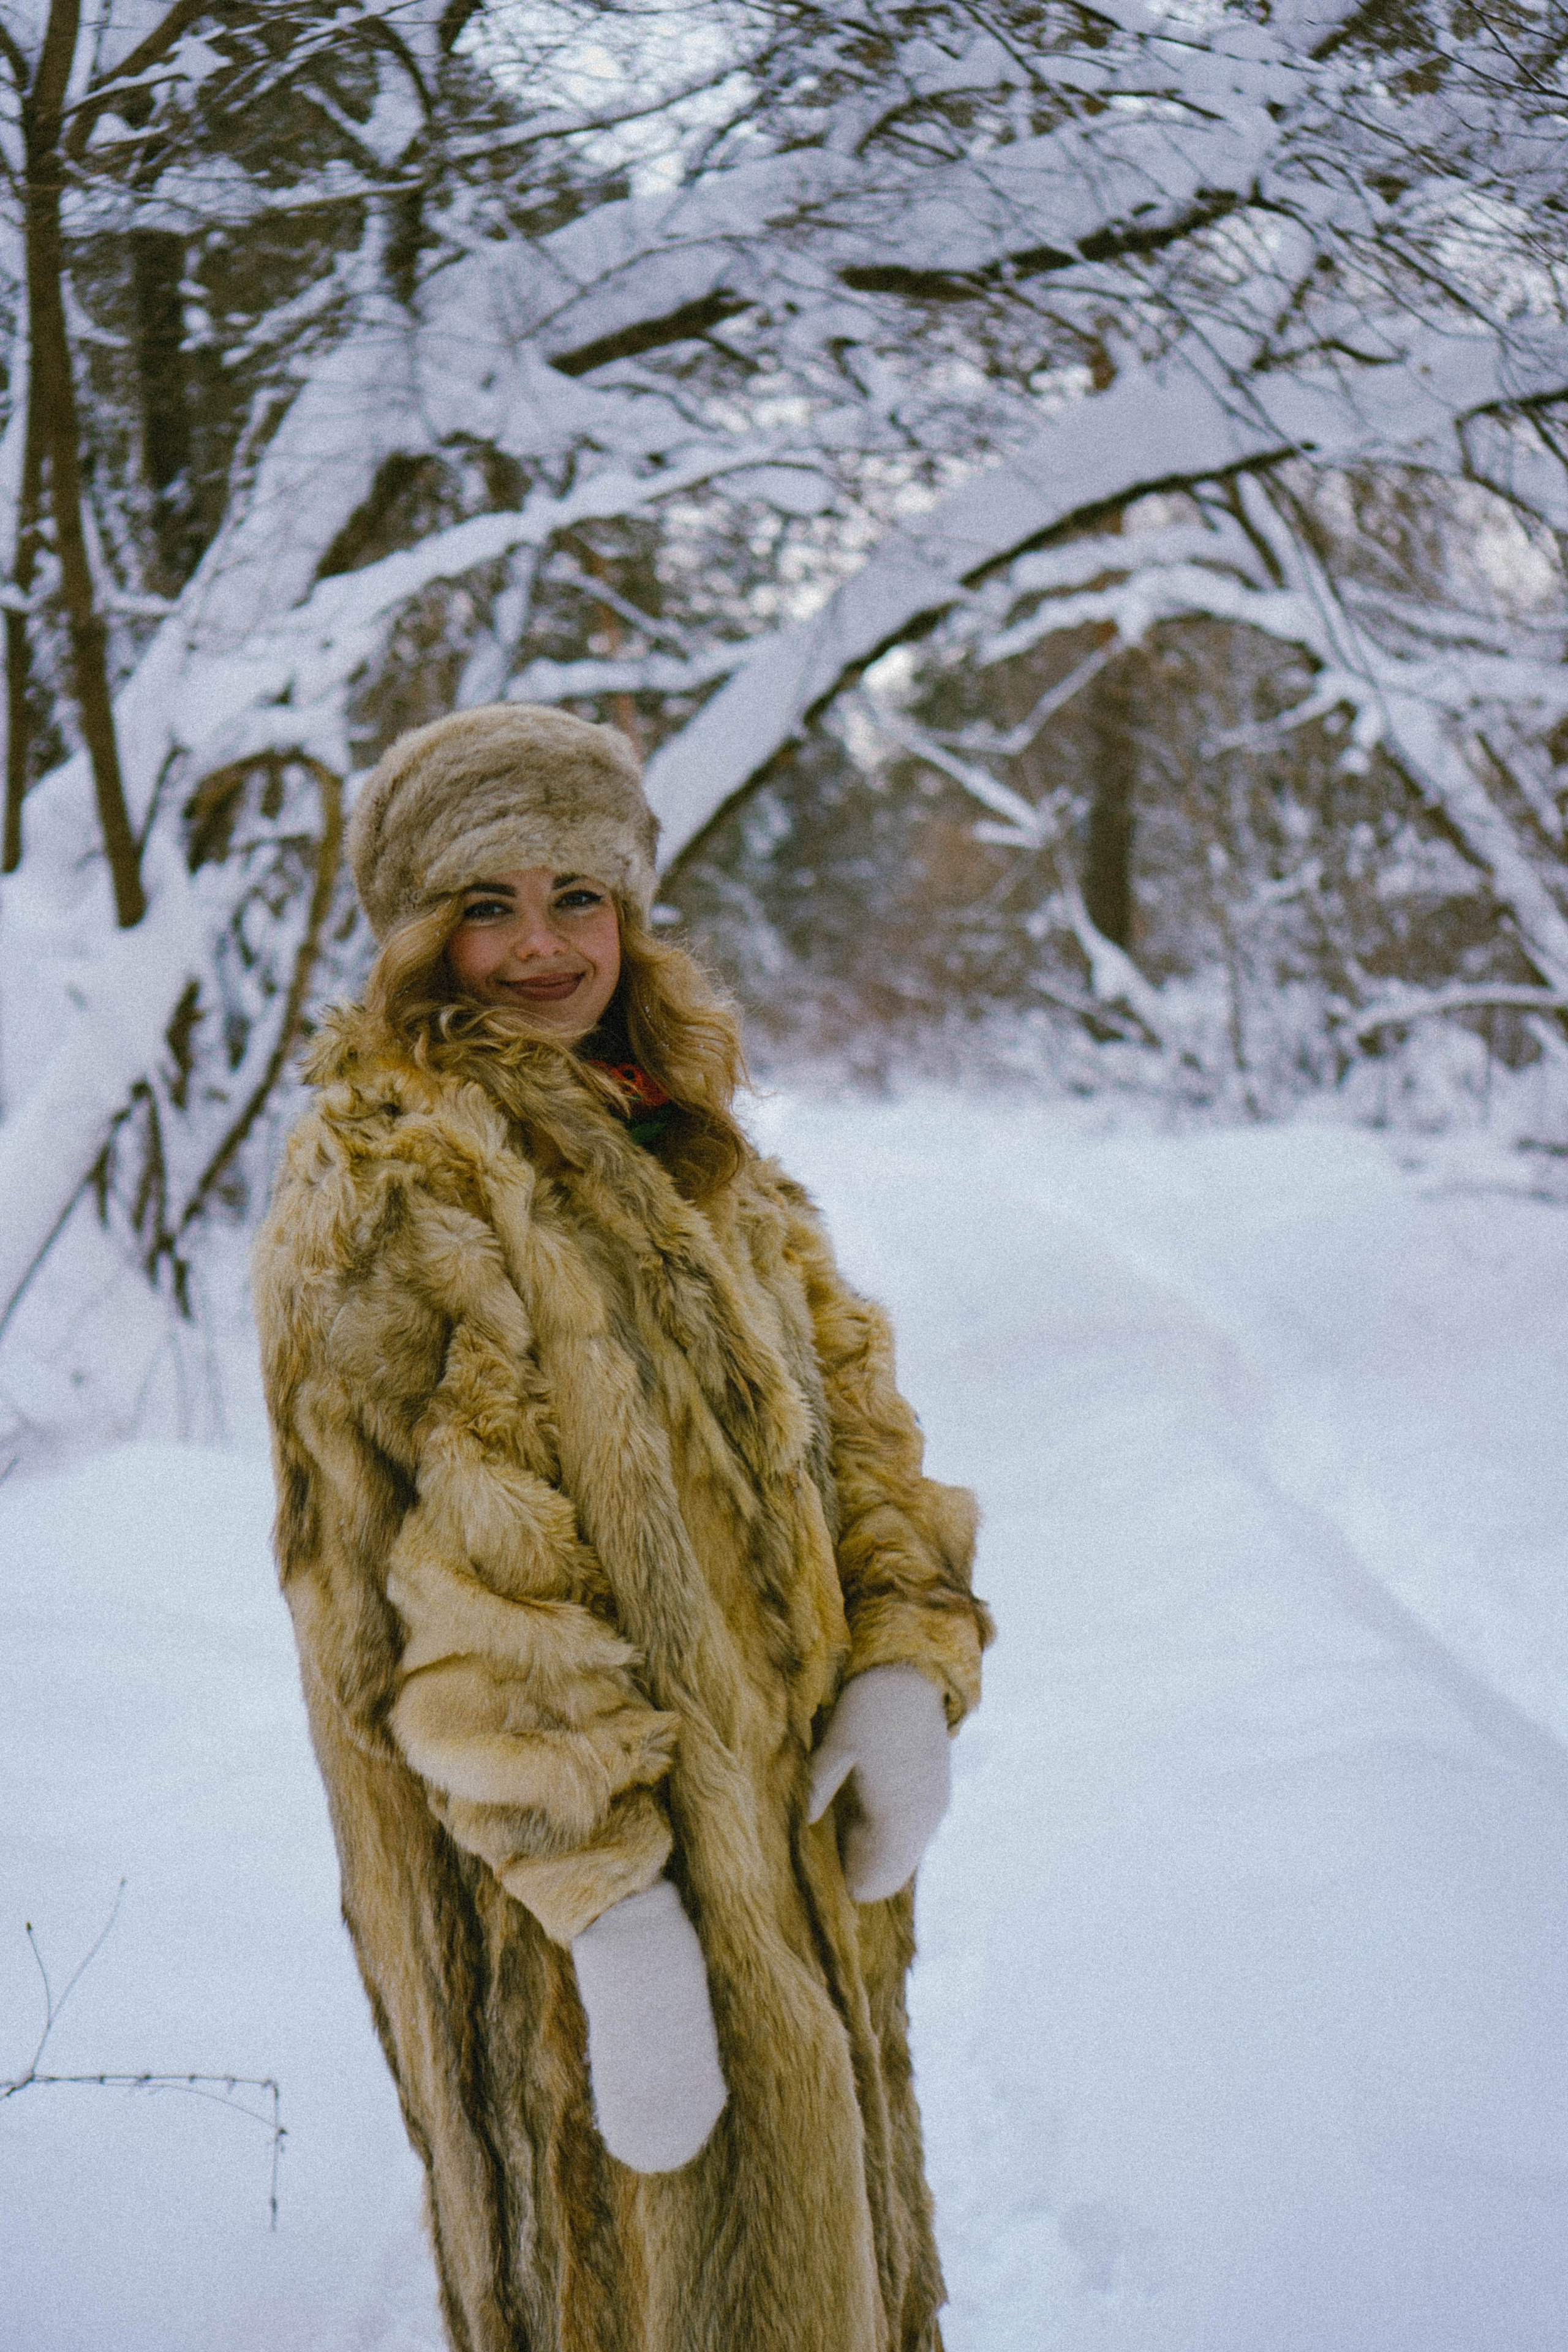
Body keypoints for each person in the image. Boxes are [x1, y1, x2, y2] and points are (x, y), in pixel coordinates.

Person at [253, 703, 993, 2352]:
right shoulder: (397, 1173)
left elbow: (856, 1421)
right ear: (418, 933)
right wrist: (614, 1904)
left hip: (777, 1856)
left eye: (573, 895)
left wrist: (905, 1657)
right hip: (571, 1914)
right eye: (485, 904)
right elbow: (454, 1568)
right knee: (633, 2289)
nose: (538, 947)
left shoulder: (678, 1132)